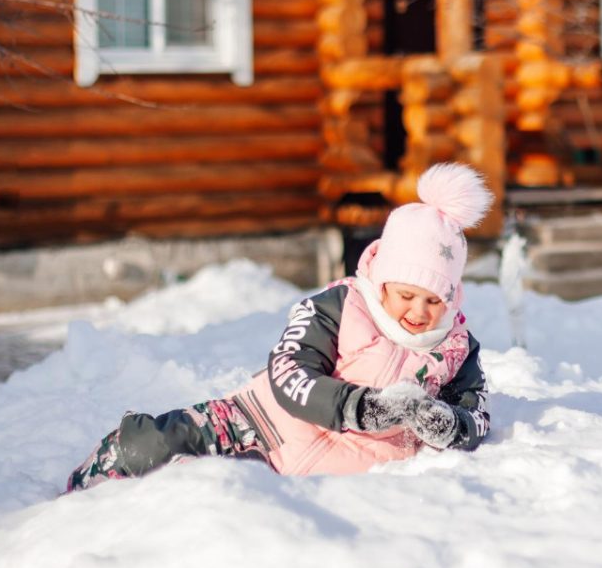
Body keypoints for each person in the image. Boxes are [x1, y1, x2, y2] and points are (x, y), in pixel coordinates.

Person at [66, 162, 493, 491]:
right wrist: (362, 408)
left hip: (329, 476)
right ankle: (104, 470)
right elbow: (290, 371)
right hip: (260, 422)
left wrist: (445, 423)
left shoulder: (454, 348)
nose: (419, 311)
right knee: (156, 447)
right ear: (382, 280)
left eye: (434, 300)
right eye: (406, 295)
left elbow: (476, 413)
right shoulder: (341, 306)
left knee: (204, 500)